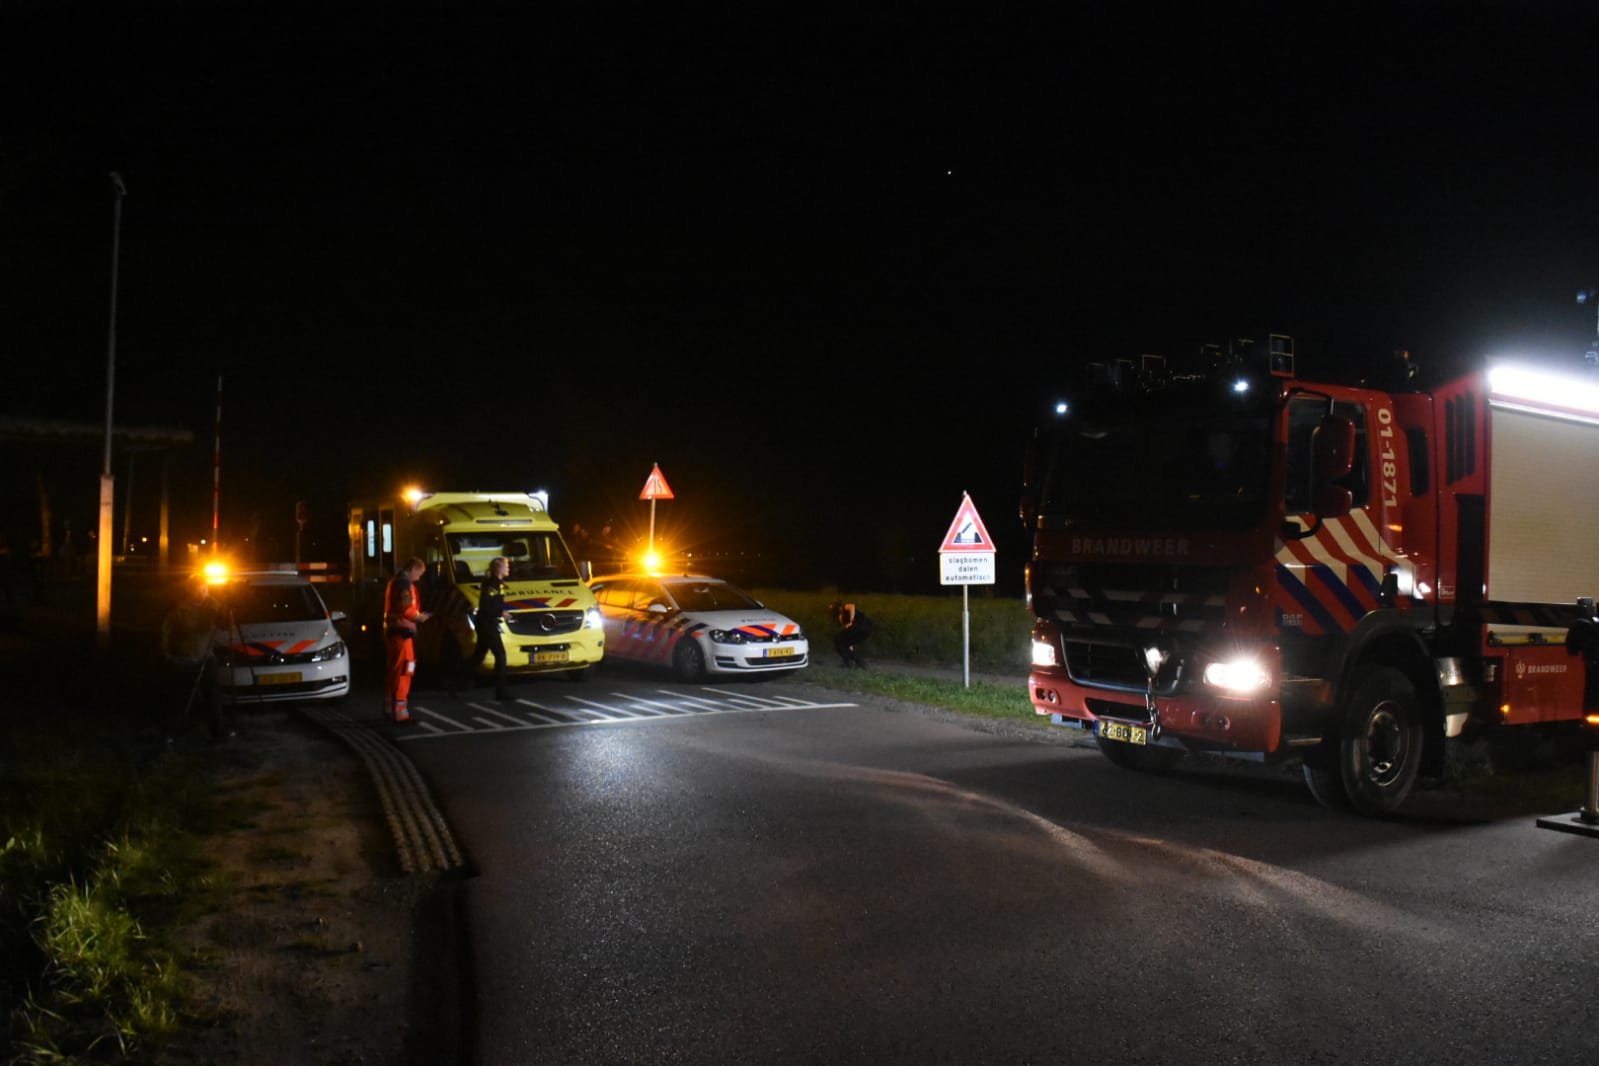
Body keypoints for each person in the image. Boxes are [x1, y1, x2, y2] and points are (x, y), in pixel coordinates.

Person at [160, 575, 225, 740]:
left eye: (205, 589)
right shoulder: (179, 609)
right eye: (199, 590)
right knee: (179, 696)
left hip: (206, 657)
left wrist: (222, 609)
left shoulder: (213, 606)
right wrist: (167, 654)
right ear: (190, 590)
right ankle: (172, 731)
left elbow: (226, 625)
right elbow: (165, 632)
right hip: (184, 658)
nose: (203, 593)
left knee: (212, 696)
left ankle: (217, 732)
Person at [385, 557, 432, 724]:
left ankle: (390, 708)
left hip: (396, 633)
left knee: (395, 671)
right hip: (402, 634)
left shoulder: (396, 581)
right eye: (419, 573)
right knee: (404, 671)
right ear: (413, 569)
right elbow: (406, 608)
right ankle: (400, 714)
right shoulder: (404, 584)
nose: (419, 578)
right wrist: (419, 617)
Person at [471, 556, 512, 700]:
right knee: (500, 655)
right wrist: (501, 612)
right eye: (506, 566)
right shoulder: (493, 585)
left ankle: (458, 681)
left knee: (479, 655)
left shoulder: (497, 583)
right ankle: (501, 691)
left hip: (487, 623)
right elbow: (486, 606)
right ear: (499, 569)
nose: (508, 568)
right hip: (487, 623)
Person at [830, 600, 874, 668]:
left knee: (838, 639)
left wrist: (851, 620)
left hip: (863, 626)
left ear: (839, 607)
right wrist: (849, 646)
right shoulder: (841, 618)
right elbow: (848, 634)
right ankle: (855, 662)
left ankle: (851, 661)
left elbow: (852, 606)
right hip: (861, 631)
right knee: (842, 643)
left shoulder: (846, 607)